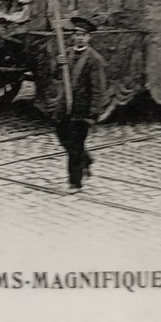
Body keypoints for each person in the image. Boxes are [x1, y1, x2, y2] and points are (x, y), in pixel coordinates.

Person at [54, 18, 108, 193]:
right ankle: (86, 160)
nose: (79, 38)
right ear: (72, 37)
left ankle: (74, 182)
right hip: (65, 108)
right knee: (62, 136)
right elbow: (56, 77)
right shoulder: (67, 54)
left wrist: (93, 113)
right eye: (77, 35)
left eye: (83, 35)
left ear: (89, 38)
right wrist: (58, 64)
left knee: (76, 146)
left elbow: (98, 88)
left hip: (82, 110)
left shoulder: (94, 60)